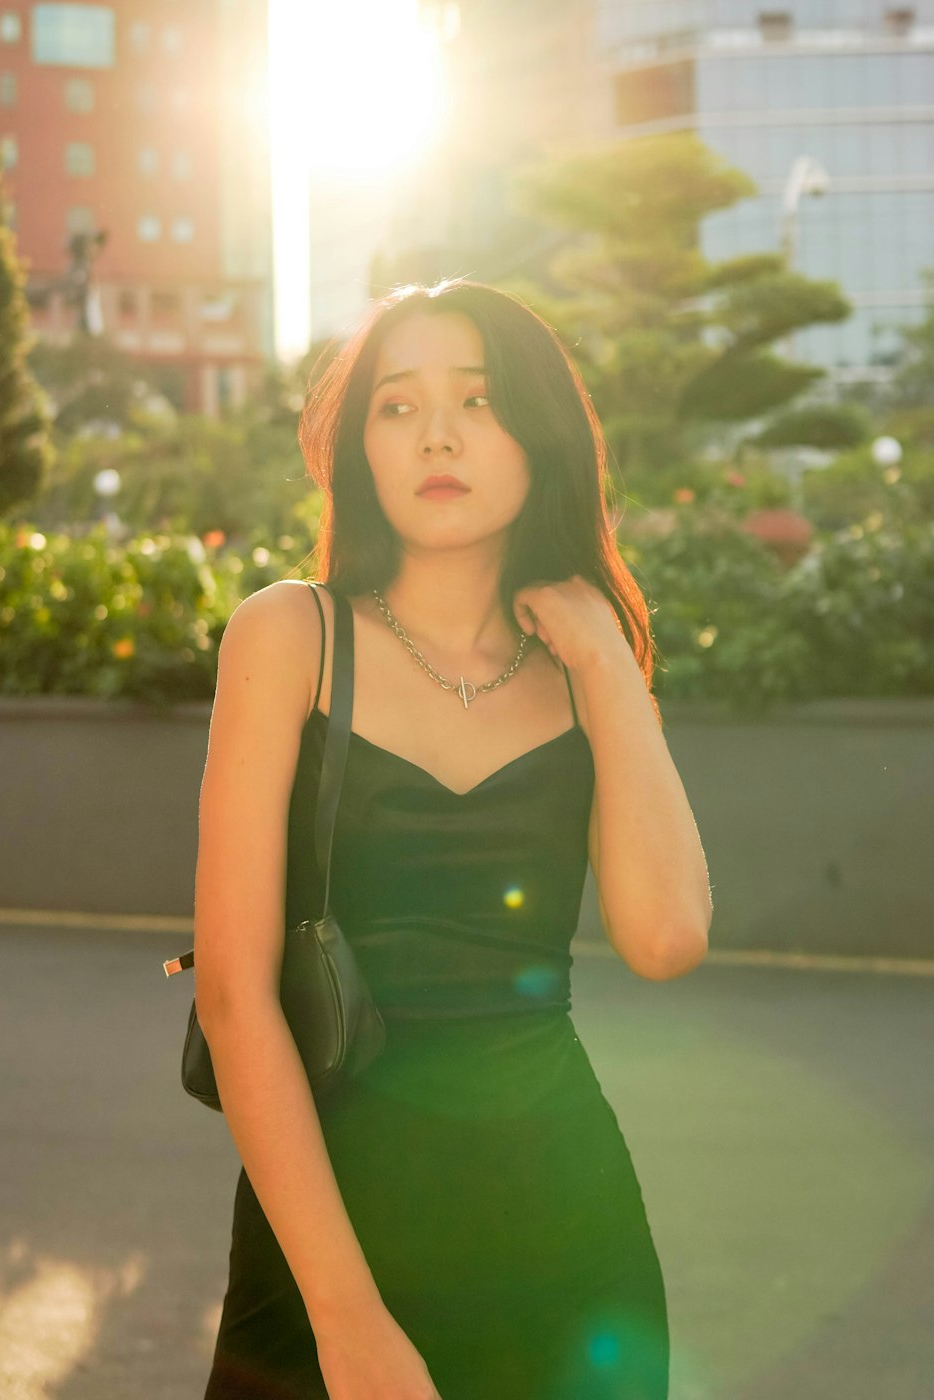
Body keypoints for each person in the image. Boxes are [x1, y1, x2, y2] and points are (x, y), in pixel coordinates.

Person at [195, 278, 712, 1400]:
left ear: (538, 431)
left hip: (563, 1230)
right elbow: (235, 995)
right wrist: (347, 1321)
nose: (436, 432)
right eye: (396, 405)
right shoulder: (290, 634)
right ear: (361, 448)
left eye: (477, 400)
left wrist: (609, 667)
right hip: (329, 1230)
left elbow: (667, 934)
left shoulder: (587, 668)